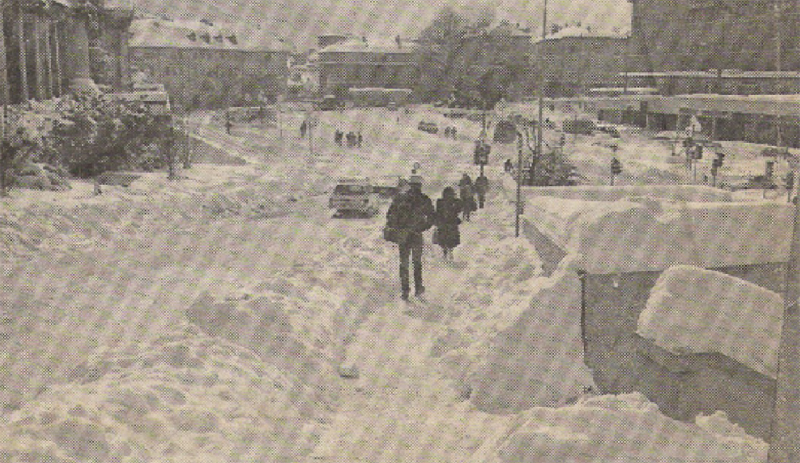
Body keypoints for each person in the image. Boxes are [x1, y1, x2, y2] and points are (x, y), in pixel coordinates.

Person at [385, 175, 435, 300]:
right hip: (416, 235)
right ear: (420, 185)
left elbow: (389, 215)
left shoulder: (401, 198)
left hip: (403, 235)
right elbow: (432, 218)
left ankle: (405, 290)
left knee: (404, 263)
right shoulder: (424, 200)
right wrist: (422, 228)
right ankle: (418, 288)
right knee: (417, 262)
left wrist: (397, 227)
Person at [435, 187, 462, 261]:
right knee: (450, 238)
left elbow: (437, 212)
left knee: (444, 238)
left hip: (444, 223)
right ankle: (449, 251)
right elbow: (459, 209)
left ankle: (446, 252)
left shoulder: (440, 201)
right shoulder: (454, 201)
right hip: (451, 223)